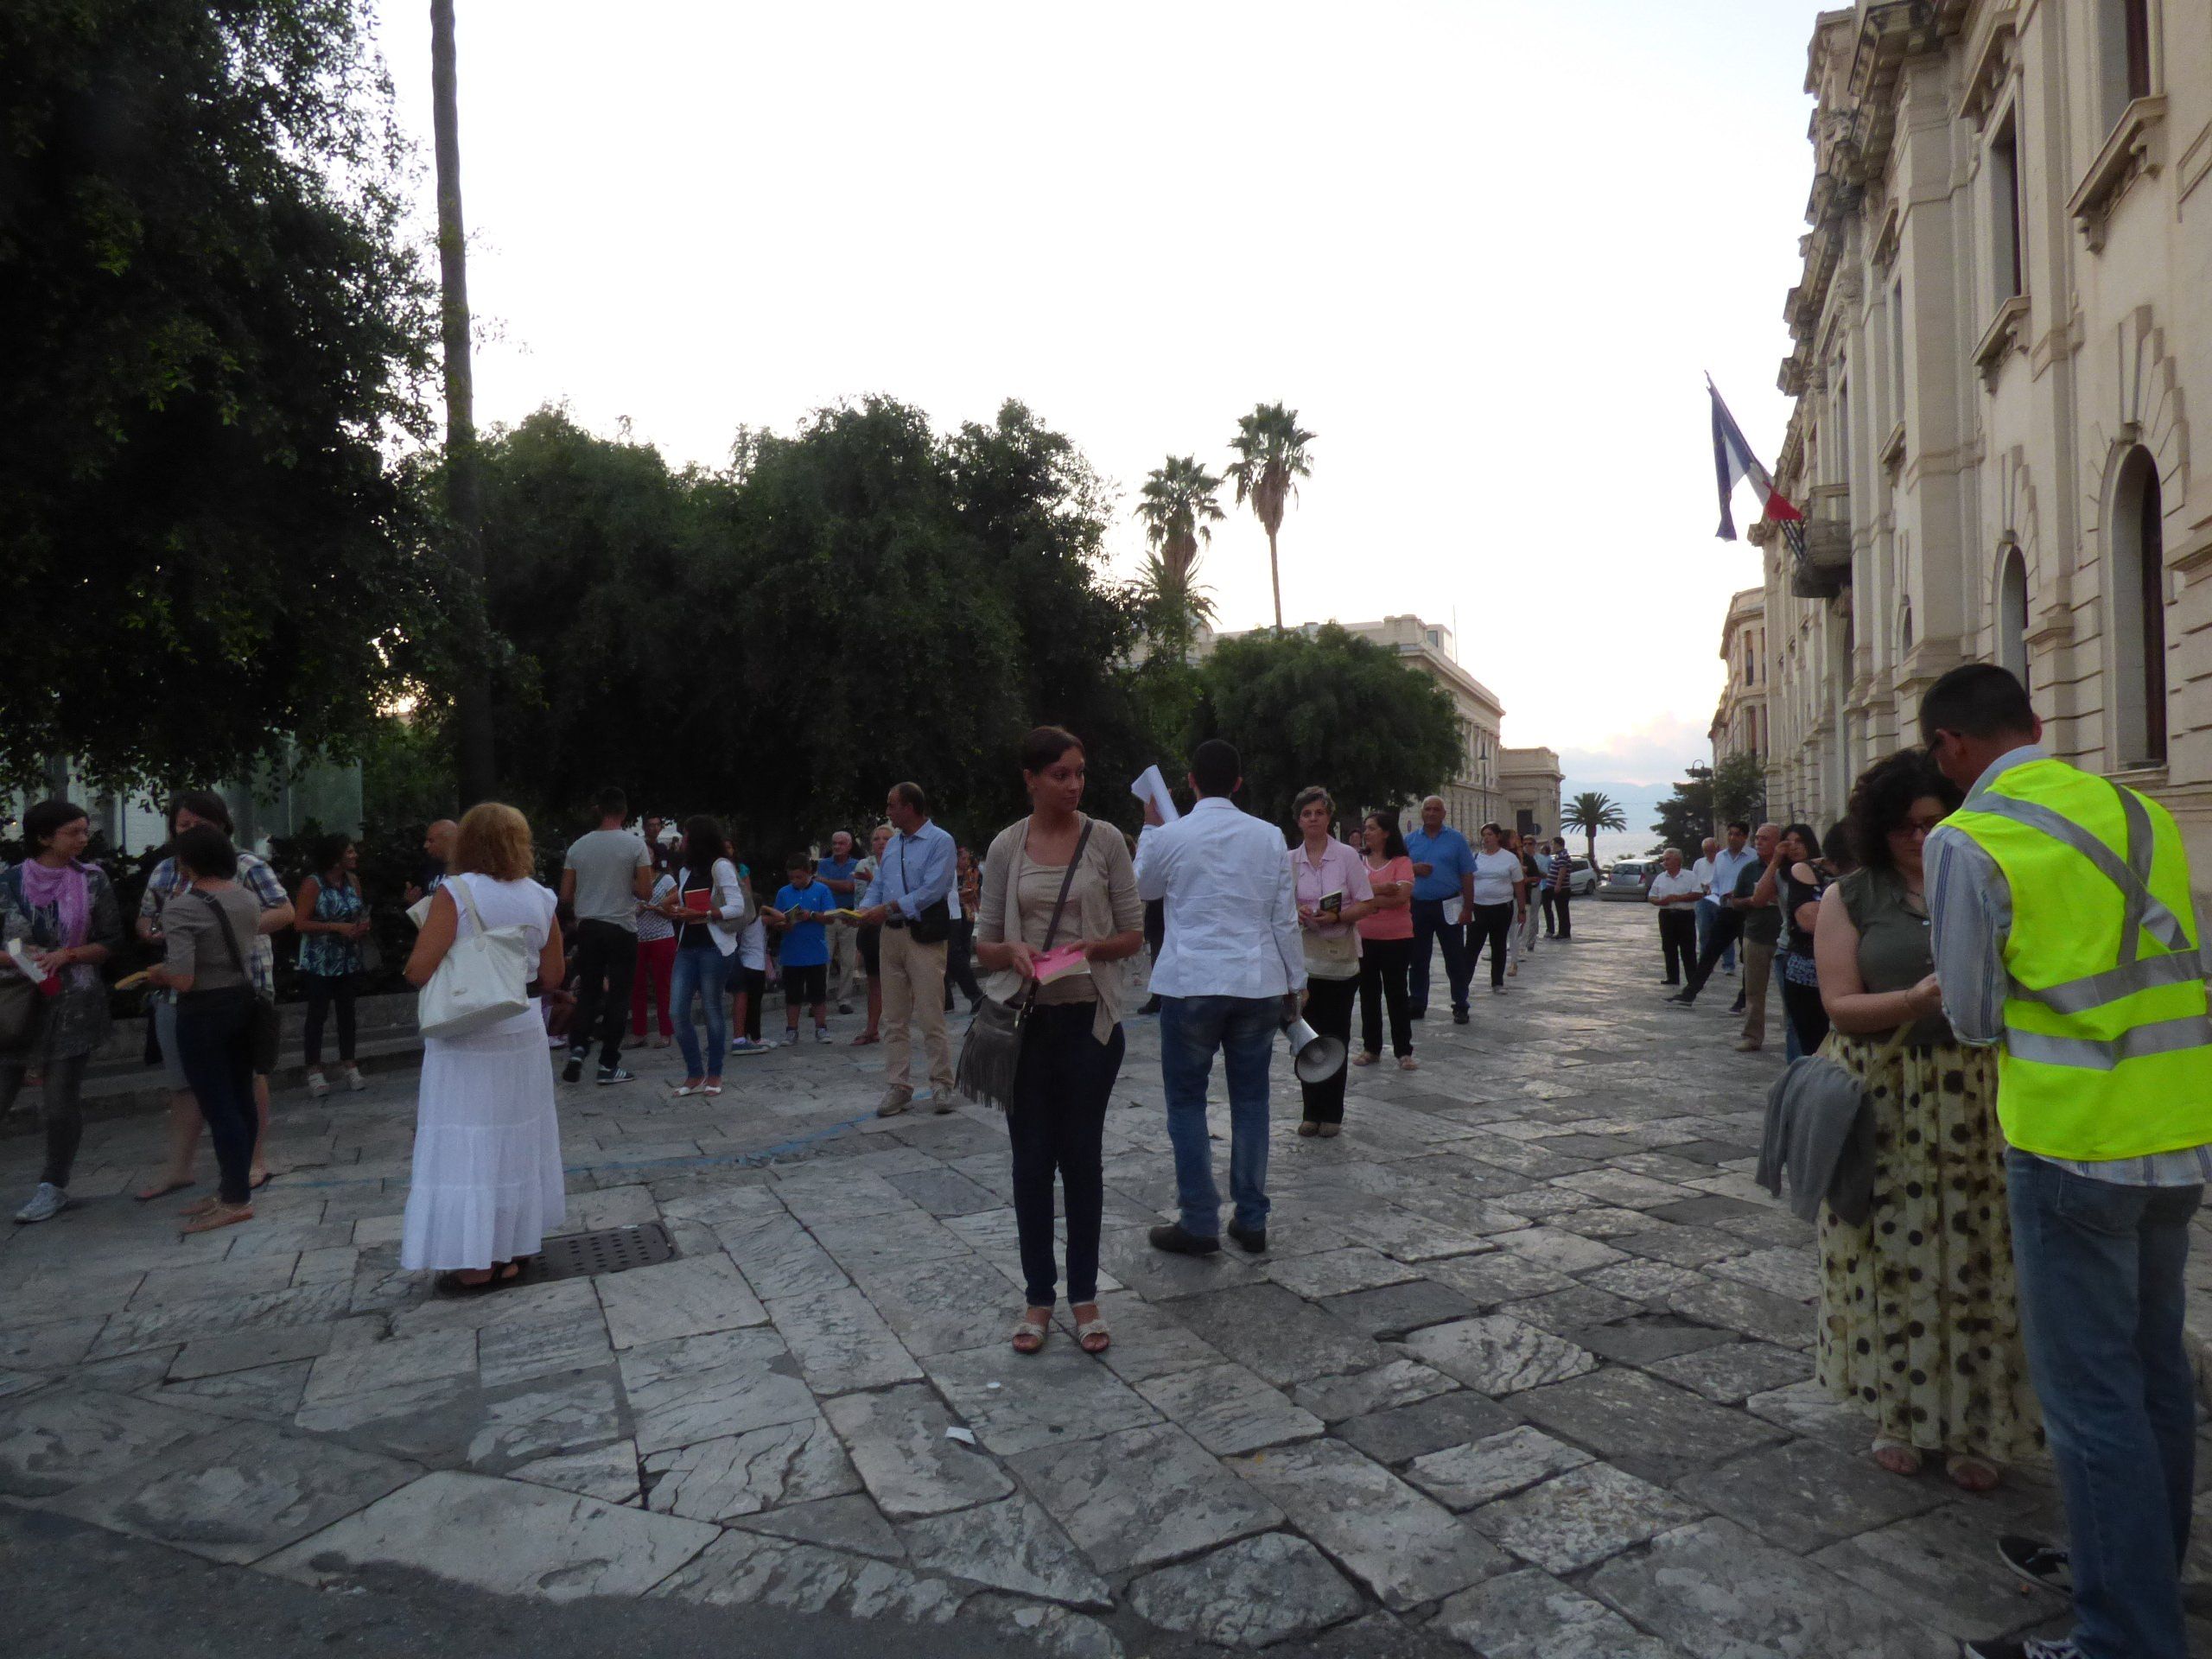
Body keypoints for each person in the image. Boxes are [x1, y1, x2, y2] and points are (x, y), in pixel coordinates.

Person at [1918, 665, 2212, 1659]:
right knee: (2154, 1378)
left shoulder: (1970, 838)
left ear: (1949, 747)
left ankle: (2123, 1636)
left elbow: (1967, 1013)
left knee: (2090, 1405)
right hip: (2173, 1129)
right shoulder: (2141, 813)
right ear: (2037, 725)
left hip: (2067, 1140)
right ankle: (2140, 1575)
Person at [1810, 750, 2040, 1496]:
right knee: (1893, 1260)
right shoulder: (1854, 897)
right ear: (1880, 829)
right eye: (1906, 825)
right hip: (1889, 1096)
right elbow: (1840, 1005)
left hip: (1979, 1097)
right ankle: (1900, 1414)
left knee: (1982, 1260)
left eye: (1934, 820)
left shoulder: (1987, 880)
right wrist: (1914, 1001)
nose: (1920, 836)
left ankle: (1979, 1423)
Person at [976, 727, 1144, 1355]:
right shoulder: (1005, 847)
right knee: (1029, 1163)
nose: (1073, 785)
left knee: (1082, 1160)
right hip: (1027, 1025)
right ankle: (1038, 1297)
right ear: (1031, 778)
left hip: (1088, 1023)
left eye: (1079, 773)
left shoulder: (1104, 842)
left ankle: (1085, 1295)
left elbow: (1133, 932)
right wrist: (1011, 951)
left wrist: (1090, 948)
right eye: (1060, 775)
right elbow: (985, 942)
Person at [1136, 739, 1304, 1255]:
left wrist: (1149, 825)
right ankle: (1251, 1218)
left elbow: (1143, 888)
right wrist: (1296, 980)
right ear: (1237, 782)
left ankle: (1199, 1219)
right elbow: (1284, 915)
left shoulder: (1174, 834)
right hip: (1256, 983)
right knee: (1251, 1100)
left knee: (1186, 1103)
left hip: (1190, 982)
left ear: (1190, 781)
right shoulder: (1270, 836)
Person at [400, 803, 567, 1293]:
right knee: (516, 1141)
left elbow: (418, 970)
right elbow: (553, 976)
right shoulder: (541, 897)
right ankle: (513, 1249)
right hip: (522, 1034)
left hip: (467, 1037)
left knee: (465, 1143)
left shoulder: (456, 891)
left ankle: (474, 1259)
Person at [133, 790, 294, 1200]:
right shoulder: (168, 870)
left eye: (199, 824)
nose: (189, 832)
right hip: (182, 990)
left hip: (240, 984)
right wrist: (156, 932)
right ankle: (181, 1168)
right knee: (184, 1080)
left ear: (221, 825)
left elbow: (284, 911)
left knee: (245, 1081)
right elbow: (146, 918)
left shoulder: (247, 867)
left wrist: (226, 930)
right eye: (182, 825)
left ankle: (251, 1165)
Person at [1, 801, 121, 1224]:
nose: (83, 839)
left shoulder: (93, 881)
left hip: (74, 1003)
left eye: (85, 830)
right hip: (17, 1005)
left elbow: (110, 941)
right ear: (44, 837)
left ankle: (53, 1184)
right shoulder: (7, 882)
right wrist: (16, 958)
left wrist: (67, 954)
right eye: (73, 831)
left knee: (60, 1100)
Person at [144, 825, 264, 1236]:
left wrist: (155, 973)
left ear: (186, 861)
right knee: (242, 1097)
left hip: (203, 1012)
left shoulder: (182, 908)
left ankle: (234, 1200)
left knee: (218, 1105)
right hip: (243, 1003)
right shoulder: (246, 897)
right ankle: (234, 1188)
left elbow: (182, 977)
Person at [854, 783, 958, 1116]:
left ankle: (941, 1082)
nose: (888, 811)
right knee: (894, 1016)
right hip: (891, 935)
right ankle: (898, 1085)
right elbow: (880, 885)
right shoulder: (894, 843)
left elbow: (933, 889)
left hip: (922, 935)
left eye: (892, 805)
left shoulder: (940, 841)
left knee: (930, 1012)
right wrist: (863, 911)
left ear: (910, 807)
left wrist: (890, 907)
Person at [1289, 787, 1371, 1136]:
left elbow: (1367, 903)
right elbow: (1278, 907)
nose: (1313, 819)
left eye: (1319, 813)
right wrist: (1297, 913)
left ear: (1329, 817)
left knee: (1334, 1034)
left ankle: (1332, 1113)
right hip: (1302, 961)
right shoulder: (1289, 860)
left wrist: (1338, 917)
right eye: (1306, 814)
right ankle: (1311, 1109)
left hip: (1339, 960)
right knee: (1305, 1035)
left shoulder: (1347, 857)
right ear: (1298, 820)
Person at [558, 789, 652, 1086]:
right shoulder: (635, 845)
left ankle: (578, 1047)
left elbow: (565, 894)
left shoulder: (578, 847)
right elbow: (646, 892)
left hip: (588, 927)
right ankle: (608, 1063)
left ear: (598, 810)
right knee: (619, 995)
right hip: (621, 926)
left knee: (588, 991)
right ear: (624, 813)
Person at [666, 817, 750, 1095]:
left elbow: (737, 906)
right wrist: (678, 911)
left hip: (714, 947)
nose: (683, 840)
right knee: (677, 1012)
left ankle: (714, 1074)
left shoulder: (721, 866)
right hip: (687, 947)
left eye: (687, 835)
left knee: (712, 1009)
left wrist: (703, 914)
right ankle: (694, 1073)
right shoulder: (685, 871)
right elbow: (684, 902)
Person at [295, 831, 370, 1097]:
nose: (354, 856)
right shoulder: (313, 884)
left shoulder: (353, 881)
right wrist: (335, 927)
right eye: (349, 852)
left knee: (347, 1013)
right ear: (336, 857)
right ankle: (313, 1068)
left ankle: (349, 1063)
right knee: (317, 1013)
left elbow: (357, 910)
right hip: (319, 960)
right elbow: (300, 923)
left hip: (348, 957)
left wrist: (360, 926)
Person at [1667, 821, 1759, 1008]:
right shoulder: (1721, 857)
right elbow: (1716, 881)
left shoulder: (1754, 858)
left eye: (1737, 834)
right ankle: (1689, 994)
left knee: (1747, 957)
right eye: (1730, 834)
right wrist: (1715, 890)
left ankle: (1743, 1000)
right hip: (1725, 909)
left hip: (1747, 911)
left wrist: (1740, 893)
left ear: (1745, 837)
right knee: (1709, 952)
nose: (1733, 837)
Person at [1403, 796, 1475, 1025]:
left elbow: (1467, 874)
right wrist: (1413, 868)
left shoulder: (1456, 840)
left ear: (1444, 814)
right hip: (1419, 906)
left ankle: (1460, 1004)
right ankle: (1417, 1002)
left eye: (1436, 809)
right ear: (1422, 813)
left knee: (1455, 957)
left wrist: (1468, 908)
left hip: (1450, 904)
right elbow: (1400, 871)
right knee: (1417, 958)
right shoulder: (1411, 840)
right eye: (1427, 809)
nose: (1432, 813)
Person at [1762, 823, 1830, 1058]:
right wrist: (1775, 860)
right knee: (1794, 1019)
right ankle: (1797, 1072)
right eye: (1789, 842)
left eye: (1800, 841)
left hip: (1825, 951)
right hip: (1789, 950)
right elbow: (1759, 898)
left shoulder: (1826, 873)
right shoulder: (1783, 875)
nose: (1795, 847)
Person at [1354, 811, 1417, 1071]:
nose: (1366, 832)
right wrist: (1381, 890)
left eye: (1372, 828)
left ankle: (1404, 1050)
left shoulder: (1401, 861)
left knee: (1397, 994)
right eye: (1365, 828)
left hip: (1397, 937)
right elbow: (1351, 894)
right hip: (1365, 937)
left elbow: (1401, 897)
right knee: (1368, 994)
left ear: (1386, 832)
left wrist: (1368, 898)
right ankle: (1371, 1047)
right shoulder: (1358, 861)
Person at [766, 852, 833, 1047]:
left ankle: (821, 1028)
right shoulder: (784, 892)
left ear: (809, 873)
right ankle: (791, 1030)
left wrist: (811, 915)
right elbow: (777, 918)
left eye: (799, 877)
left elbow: (830, 917)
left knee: (818, 994)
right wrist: (782, 924)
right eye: (792, 878)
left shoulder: (822, 890)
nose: (795, 881)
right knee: (792, 995)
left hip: (815, 952)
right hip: (792, 952)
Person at [1729, 823, 1782, 1051]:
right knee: (1754, 989)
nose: (1758, 842)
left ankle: (1795, 1036)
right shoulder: (1750, 869)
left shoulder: (1792, 868)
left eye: (1765, 839)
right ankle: (1752, 1035)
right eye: (1757, 838)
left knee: (1791, 992)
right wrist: (1751, 901)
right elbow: (1735, 900)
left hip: (1786, 938)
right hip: (1756, 935)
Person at [1466, 823, 1522, 995]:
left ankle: (1497, 982)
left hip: (1501, 907)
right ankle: (1464, 981)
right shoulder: (1476, 857)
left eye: (1490, 834)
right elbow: (1467, 881)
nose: (1486, 838)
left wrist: (1522, 909)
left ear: (1498, 836)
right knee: (1472, 947)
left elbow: (1518, 885)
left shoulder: (1509, 858)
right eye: (1484, 835)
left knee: (1498, 945)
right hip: (1479, 907)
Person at [630, 861, 678, 1048]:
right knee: (637, 986)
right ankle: (639, 1032)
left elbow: (675, 911)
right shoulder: (630, 883)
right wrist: (639, 910)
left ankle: (666, 1032)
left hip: (662, 937)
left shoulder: (666, 880)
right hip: (638, 937)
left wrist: (658, 909)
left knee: (663, 985)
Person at [818, 830, 861, 1014]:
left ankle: (844, 999)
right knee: (823, 959)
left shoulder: (857, 865)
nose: (837, 847)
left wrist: (826, 882)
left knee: (848, 960)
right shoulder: (824, 864)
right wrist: (835, 884)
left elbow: (850, 887)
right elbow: (823, 886)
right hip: (827, 916)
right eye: (835, 843)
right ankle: (819, 1000)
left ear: (850, 846)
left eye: (841, 843)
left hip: (848, 916)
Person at [728, 865, 770, 1054]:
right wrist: (766, 909)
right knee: (755, 1003)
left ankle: (744, 1034)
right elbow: (780, 917)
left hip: (744, 963)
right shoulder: (761, 919)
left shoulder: (742, 922)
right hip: (757, 966)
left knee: (746, 1001)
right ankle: (756, 1036)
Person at [1647, 847, 1702, 986]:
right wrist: (1660, 901)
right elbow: (1651, 896)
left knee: (1688, 948)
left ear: (1677, 861)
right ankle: (1672, 978)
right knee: (1668, 947)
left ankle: (1692, 979)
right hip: (1666, 915)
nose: (1664, 862)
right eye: (1664, 859)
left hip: (1685, 915)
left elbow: (1698, 894)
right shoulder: (1660, 877)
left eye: (1668, 859)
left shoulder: (1690, 876)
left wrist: (1677, 898)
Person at [944, 845, 984, 1013]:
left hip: (951, 912)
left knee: (954, 955)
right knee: (943, 957)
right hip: (947, 910)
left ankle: (975, 995)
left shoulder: (971, 872)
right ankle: (946, 1001)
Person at [1507, 831, 1542, 976]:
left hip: (1524, 895)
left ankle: (1521, 951)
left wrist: (1524, 879)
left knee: (1523, 924)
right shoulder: (1508, 858)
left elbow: (1536, 877)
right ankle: (1509, 951)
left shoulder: (1528, 859)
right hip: (1508, 896)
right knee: (1509, 925)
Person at [404, 819, 458, 907]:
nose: (425, 846)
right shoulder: (428, 868)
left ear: (448, 840)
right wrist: (414, 903)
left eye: (431, 841)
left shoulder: (467, 869)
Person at [1690, 835, 1722, 967]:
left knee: (1722, 931)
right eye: (1705, 850)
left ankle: (1728, 964)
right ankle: (1705, 962)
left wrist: (1714, 887)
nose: (1708, 853)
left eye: (1711, 850)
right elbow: (1694, 880)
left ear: (1717, 849)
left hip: (1719, 898)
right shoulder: (1699, 863)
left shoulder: (1723, 861)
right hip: (1703, 898)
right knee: (1703, 931)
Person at [1548, 836, 1575, 940]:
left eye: (1553, 844)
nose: (1552, 846)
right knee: (1561, 910)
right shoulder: (1559, 855)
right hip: (1560, 887)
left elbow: (1562, 870)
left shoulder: (1562, 856)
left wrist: (1558, 884)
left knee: (1562, 910)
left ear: (1558, 844)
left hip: (1562, 888)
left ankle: (1564, 933)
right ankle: (1563, 931)